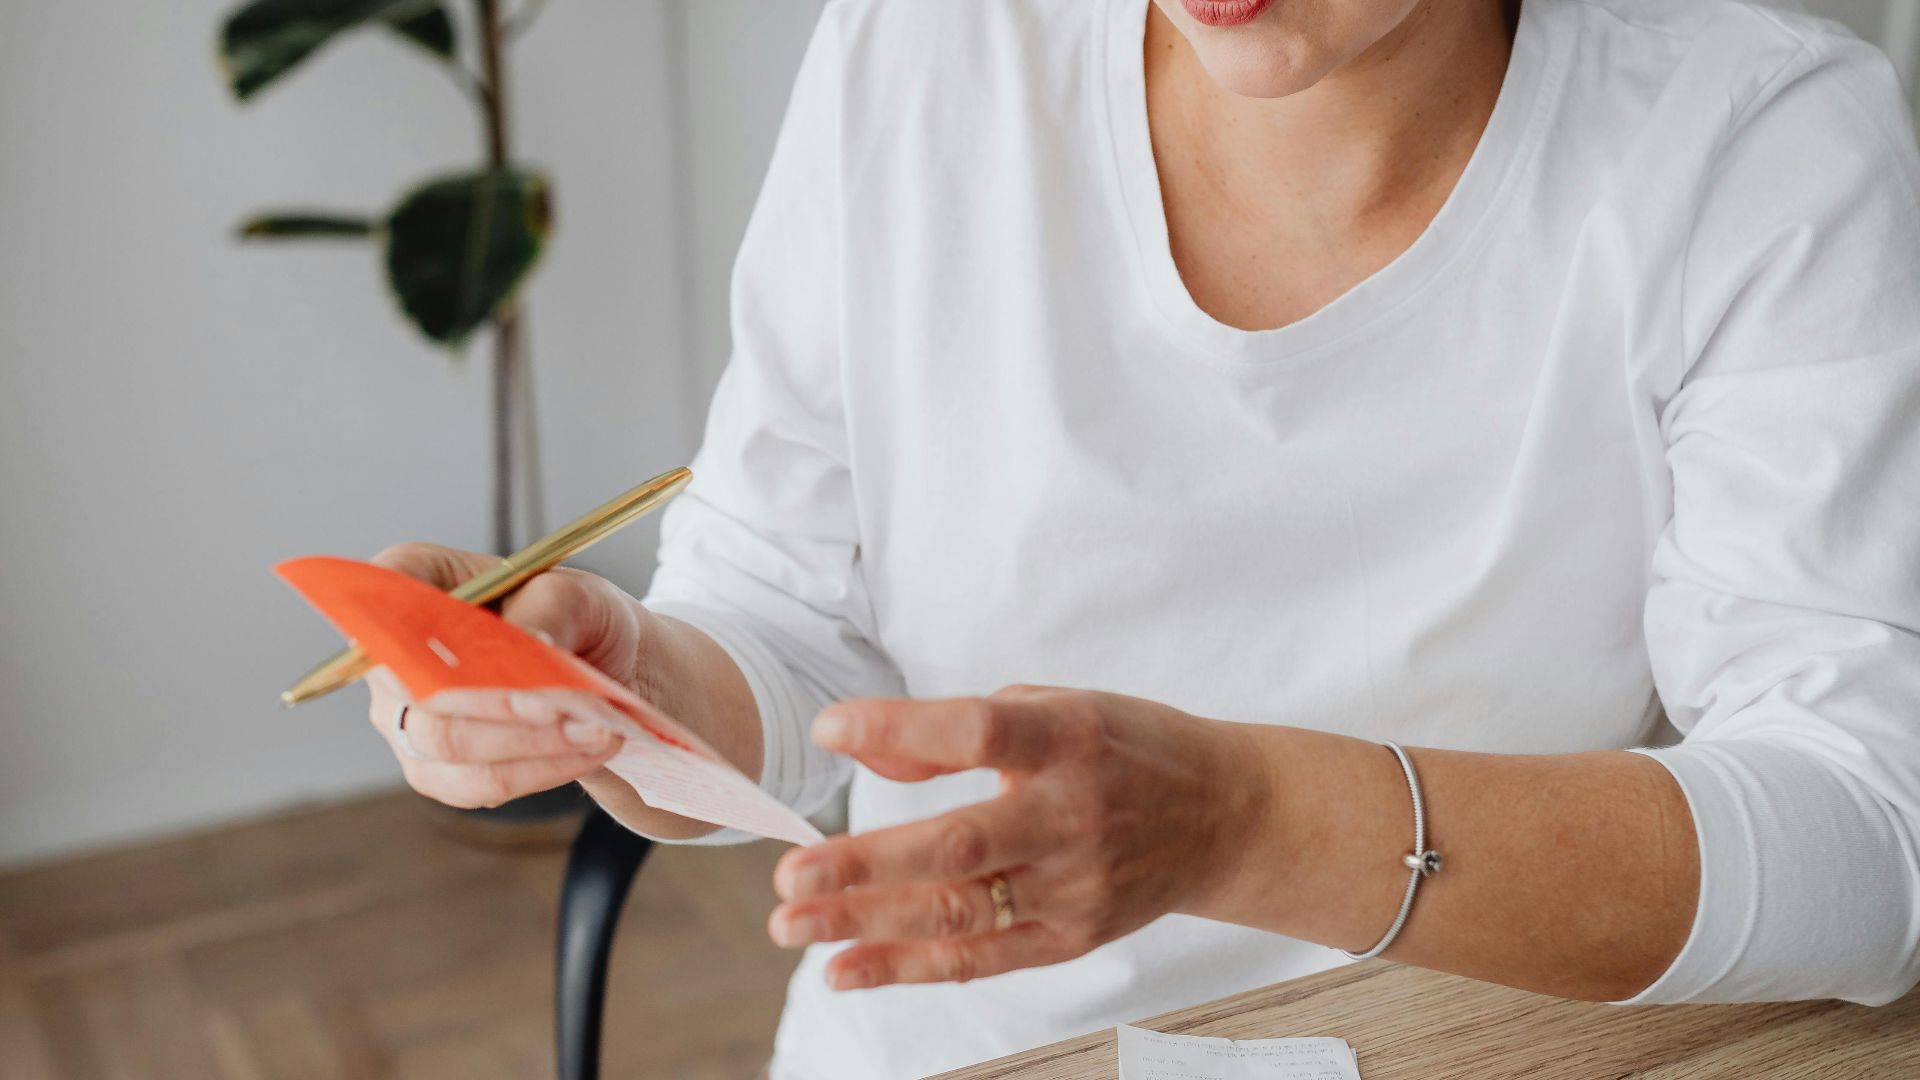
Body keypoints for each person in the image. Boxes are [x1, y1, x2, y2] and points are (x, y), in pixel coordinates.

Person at [364, 0, 1920, 1075]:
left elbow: (1868, 844)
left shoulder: (1755, 143)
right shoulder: (925, 49)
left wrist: (1243, 820)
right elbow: (777, 615)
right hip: (958, 1053)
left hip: (1473, 1046)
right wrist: (622, 684)